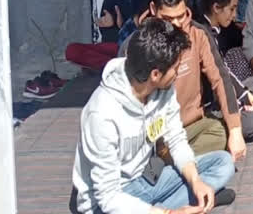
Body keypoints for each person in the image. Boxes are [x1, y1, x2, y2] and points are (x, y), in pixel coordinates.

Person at [71, 18, 235, 214]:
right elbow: (108, 197)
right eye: (175, 69)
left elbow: (176, 139)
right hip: (108, 200)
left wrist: (195, 180)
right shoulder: (102, 113)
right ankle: (183, 205)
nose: (177, 74)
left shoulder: (163, 88)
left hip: (147, 178)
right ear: (155, 74)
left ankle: (191, 200)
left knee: (223, 163)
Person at [123, 0, 248, 161]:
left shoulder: (198, 33)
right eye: (167, 18)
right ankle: (174, 167)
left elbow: (219, 77)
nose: (175, 25)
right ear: (153, 9)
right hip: (153, 136)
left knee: (224, 132)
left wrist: (236, 131)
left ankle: (170, 167)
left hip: (191, 127)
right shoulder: (135, 45)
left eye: (180, 17)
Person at [199, 0, 253, 141]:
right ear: (216, 8)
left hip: (222, 92)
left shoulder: (212, 31)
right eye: (232, 9)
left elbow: (223, 70)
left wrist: (245, 96)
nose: (234, 15)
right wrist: (240, 102)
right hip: (210, 103)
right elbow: (220, 78)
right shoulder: (203, 34)